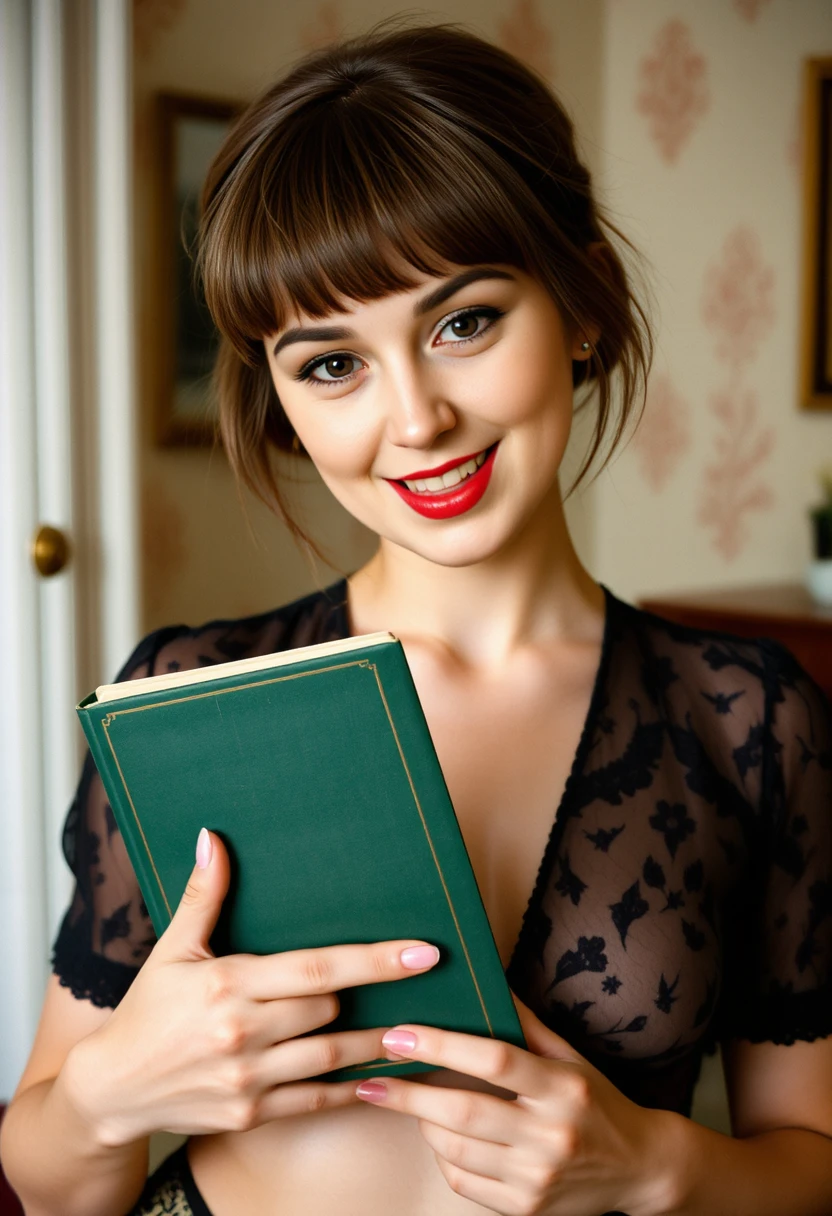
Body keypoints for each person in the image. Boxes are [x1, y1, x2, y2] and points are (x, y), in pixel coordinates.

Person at [2, 21, 831, 1216]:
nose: (417, 420)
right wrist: (110, 1094)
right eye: (331, 363)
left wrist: (658, 1168)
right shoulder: (192, 693)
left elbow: (808, 1161)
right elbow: (52, 1181)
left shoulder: (749, 718)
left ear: (581, 299)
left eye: (463, 322)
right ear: (282, 398)